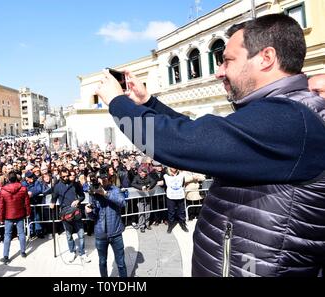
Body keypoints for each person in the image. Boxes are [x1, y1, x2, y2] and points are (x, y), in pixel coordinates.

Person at [96, 14, 325, 276]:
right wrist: (148, 102)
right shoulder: (282, 113)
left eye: (227, 60)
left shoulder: (289, 119)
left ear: (266, 58)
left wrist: (117, 103)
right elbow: (203, 135)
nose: (219, 72)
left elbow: (184, 143)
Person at [85, 169, 127, 277]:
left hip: (116, 232)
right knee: (102, 262)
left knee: (121, 263)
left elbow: (123, 203)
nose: (103, 181)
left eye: (105, 178)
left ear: (108, 178)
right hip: (100, 233)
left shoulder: (114, 189)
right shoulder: (93, 192)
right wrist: (88, 212)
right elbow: (93, 216)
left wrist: (105, 193)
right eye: (100, 179)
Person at [50, 168, 90, 263]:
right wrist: (52, 203)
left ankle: (82, 252)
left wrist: (78, 200)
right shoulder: (57, 186)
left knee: (81, 233)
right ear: (60, 175)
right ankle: (72, 252)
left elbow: (82, 196)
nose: (65, 178)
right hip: (65, 212)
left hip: (76, 211)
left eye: (67, 176)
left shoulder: (75, 184)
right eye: (63, 176)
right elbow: (54, 198)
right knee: (68, 235)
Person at [0, 172, 30, 264]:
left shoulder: (3, 191)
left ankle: (5, 256)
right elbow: (27, 203)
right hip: (20, 214)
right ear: (16, 178)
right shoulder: (23, 189)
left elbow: (1, 206)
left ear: (8, 179)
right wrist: (28, 213)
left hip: (8, 216)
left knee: (7, 235)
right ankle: (23, 252)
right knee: (21, 233)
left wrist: (0, 218)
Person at [130, 165, 157, 233]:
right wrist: (141, 187)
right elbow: (133, 184)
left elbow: (153, 181)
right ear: (139, 172)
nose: (143, 173)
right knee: (141, 212)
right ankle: (141, 225)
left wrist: (149, 187)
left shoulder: (148, 177)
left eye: (144, 172)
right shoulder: (136, 177)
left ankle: (147, 224)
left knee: (148, 211)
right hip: (140, 198)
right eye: (141, 172)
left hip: (147, 197)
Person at [163, 168, 189, 233]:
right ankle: (170, 225)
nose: (173, 168)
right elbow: (164, 185)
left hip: (180, 196)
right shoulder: (166, 175)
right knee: (171, 212)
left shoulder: (181, 175)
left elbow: (182, 184)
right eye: (172, 167)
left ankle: (182, 223)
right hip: (171, 196)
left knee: (181, 211)